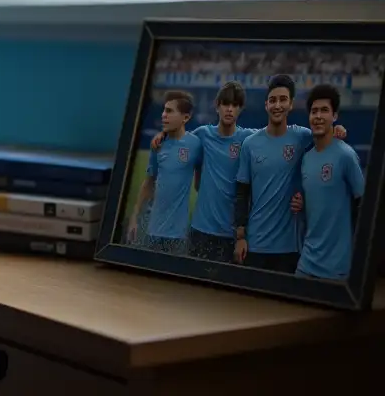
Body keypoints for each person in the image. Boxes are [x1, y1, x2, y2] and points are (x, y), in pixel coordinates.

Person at [149, 79, 347, 262]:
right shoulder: (202, 135)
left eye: (235, 105)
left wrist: (336, 130)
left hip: (232, 233)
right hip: (201, 229)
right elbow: (180, 138)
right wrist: (162, 134)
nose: (229, 109)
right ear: (217, 106)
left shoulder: (249, 139)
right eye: (226, 104)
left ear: (241, 109)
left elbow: (296, 141)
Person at [234, 74, 340, 273]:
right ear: (266, 105)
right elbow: (241, 193)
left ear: (291, 104)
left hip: (290, 248)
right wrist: (240, 237)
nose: (277, 105)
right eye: (273, 100)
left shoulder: (302, 137)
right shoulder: (250, 144)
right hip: (255, 245)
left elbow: (325, 140)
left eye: (283, 100)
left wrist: (338, 129)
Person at [293, 84, 365, 280]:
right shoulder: (306, 159)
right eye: (314, 111)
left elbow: (365, 207)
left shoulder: (345, 156)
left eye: (324, 110)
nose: (318, 116)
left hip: (337, 269)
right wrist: (302, 204)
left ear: (335, 116)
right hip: (306, 263)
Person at [126, 91, 202, 254]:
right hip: (151, 229)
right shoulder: (158, 144)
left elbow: (201, 181)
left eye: (169, 111)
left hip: (178, 235)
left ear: (186, 118)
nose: (163, 115)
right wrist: (134, 216)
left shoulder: (195, 144)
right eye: (163, 110)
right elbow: (148, 182)